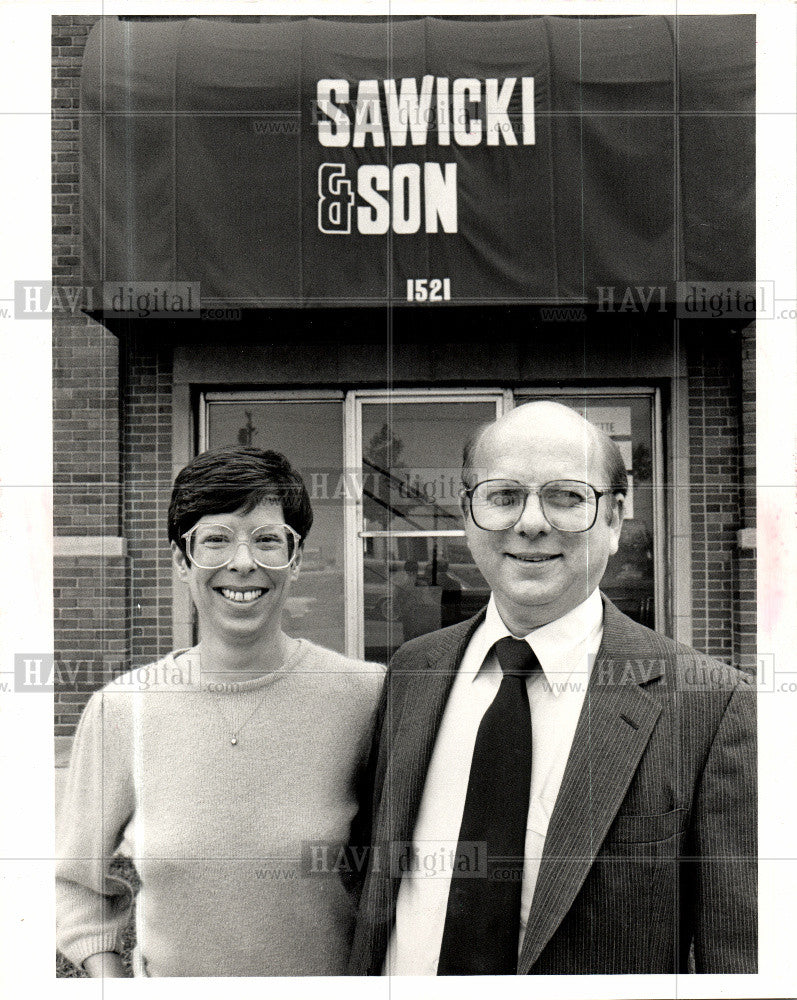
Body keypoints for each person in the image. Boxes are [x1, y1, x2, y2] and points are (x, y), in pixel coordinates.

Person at [349, 401, 756, 976]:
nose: (532, 522)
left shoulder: (709, 706)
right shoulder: (415, 673)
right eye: (504, 495)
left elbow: (738, 958)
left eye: (567, 497)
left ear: (614, 520)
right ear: (468, 515)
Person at [56, 448, 385, 977]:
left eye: (267, 539)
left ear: (295, 559)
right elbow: (74, 882)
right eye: (215, 539)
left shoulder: (366, 696)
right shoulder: (124, 710)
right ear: (181, 560)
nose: (242, 562)